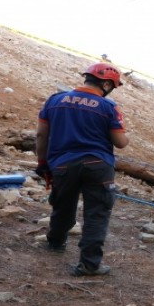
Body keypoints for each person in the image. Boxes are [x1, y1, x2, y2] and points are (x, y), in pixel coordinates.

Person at [36, 63, 129, 276]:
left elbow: (41, 135)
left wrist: (42, 163)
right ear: (106, 84)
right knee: (97, 214)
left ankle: (56, 242)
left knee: (63, 205)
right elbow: (120, 142)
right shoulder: (108, 107)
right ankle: (89, 264)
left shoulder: (55, 100)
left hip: (63, 164)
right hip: (98, 166)